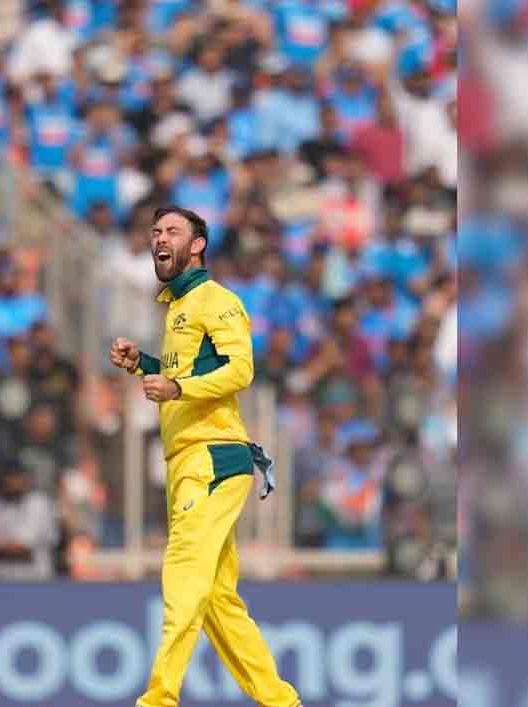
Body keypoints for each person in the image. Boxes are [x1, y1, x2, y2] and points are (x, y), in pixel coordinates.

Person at [109, 206, 302, 707]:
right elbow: (189, 377)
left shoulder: (217, 300)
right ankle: (281, 702)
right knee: (217, 599)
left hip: (212, 456)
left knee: (183, 569)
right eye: (154, 231)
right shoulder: (178, 307)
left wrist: (176, 386)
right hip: (190, 459)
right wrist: (145, 366)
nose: (159, 238)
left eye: (172, 231)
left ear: (198, 245)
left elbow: (241, 370)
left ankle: (159, 698)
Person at [0, 459, 58, 581]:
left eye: (17, 477)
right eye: (9, 477)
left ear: (27, 479)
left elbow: (23, 546)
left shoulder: (39, 502)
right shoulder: (0, 505)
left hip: (35, 578)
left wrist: (0, 548)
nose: (13, 482)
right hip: (3, 577)